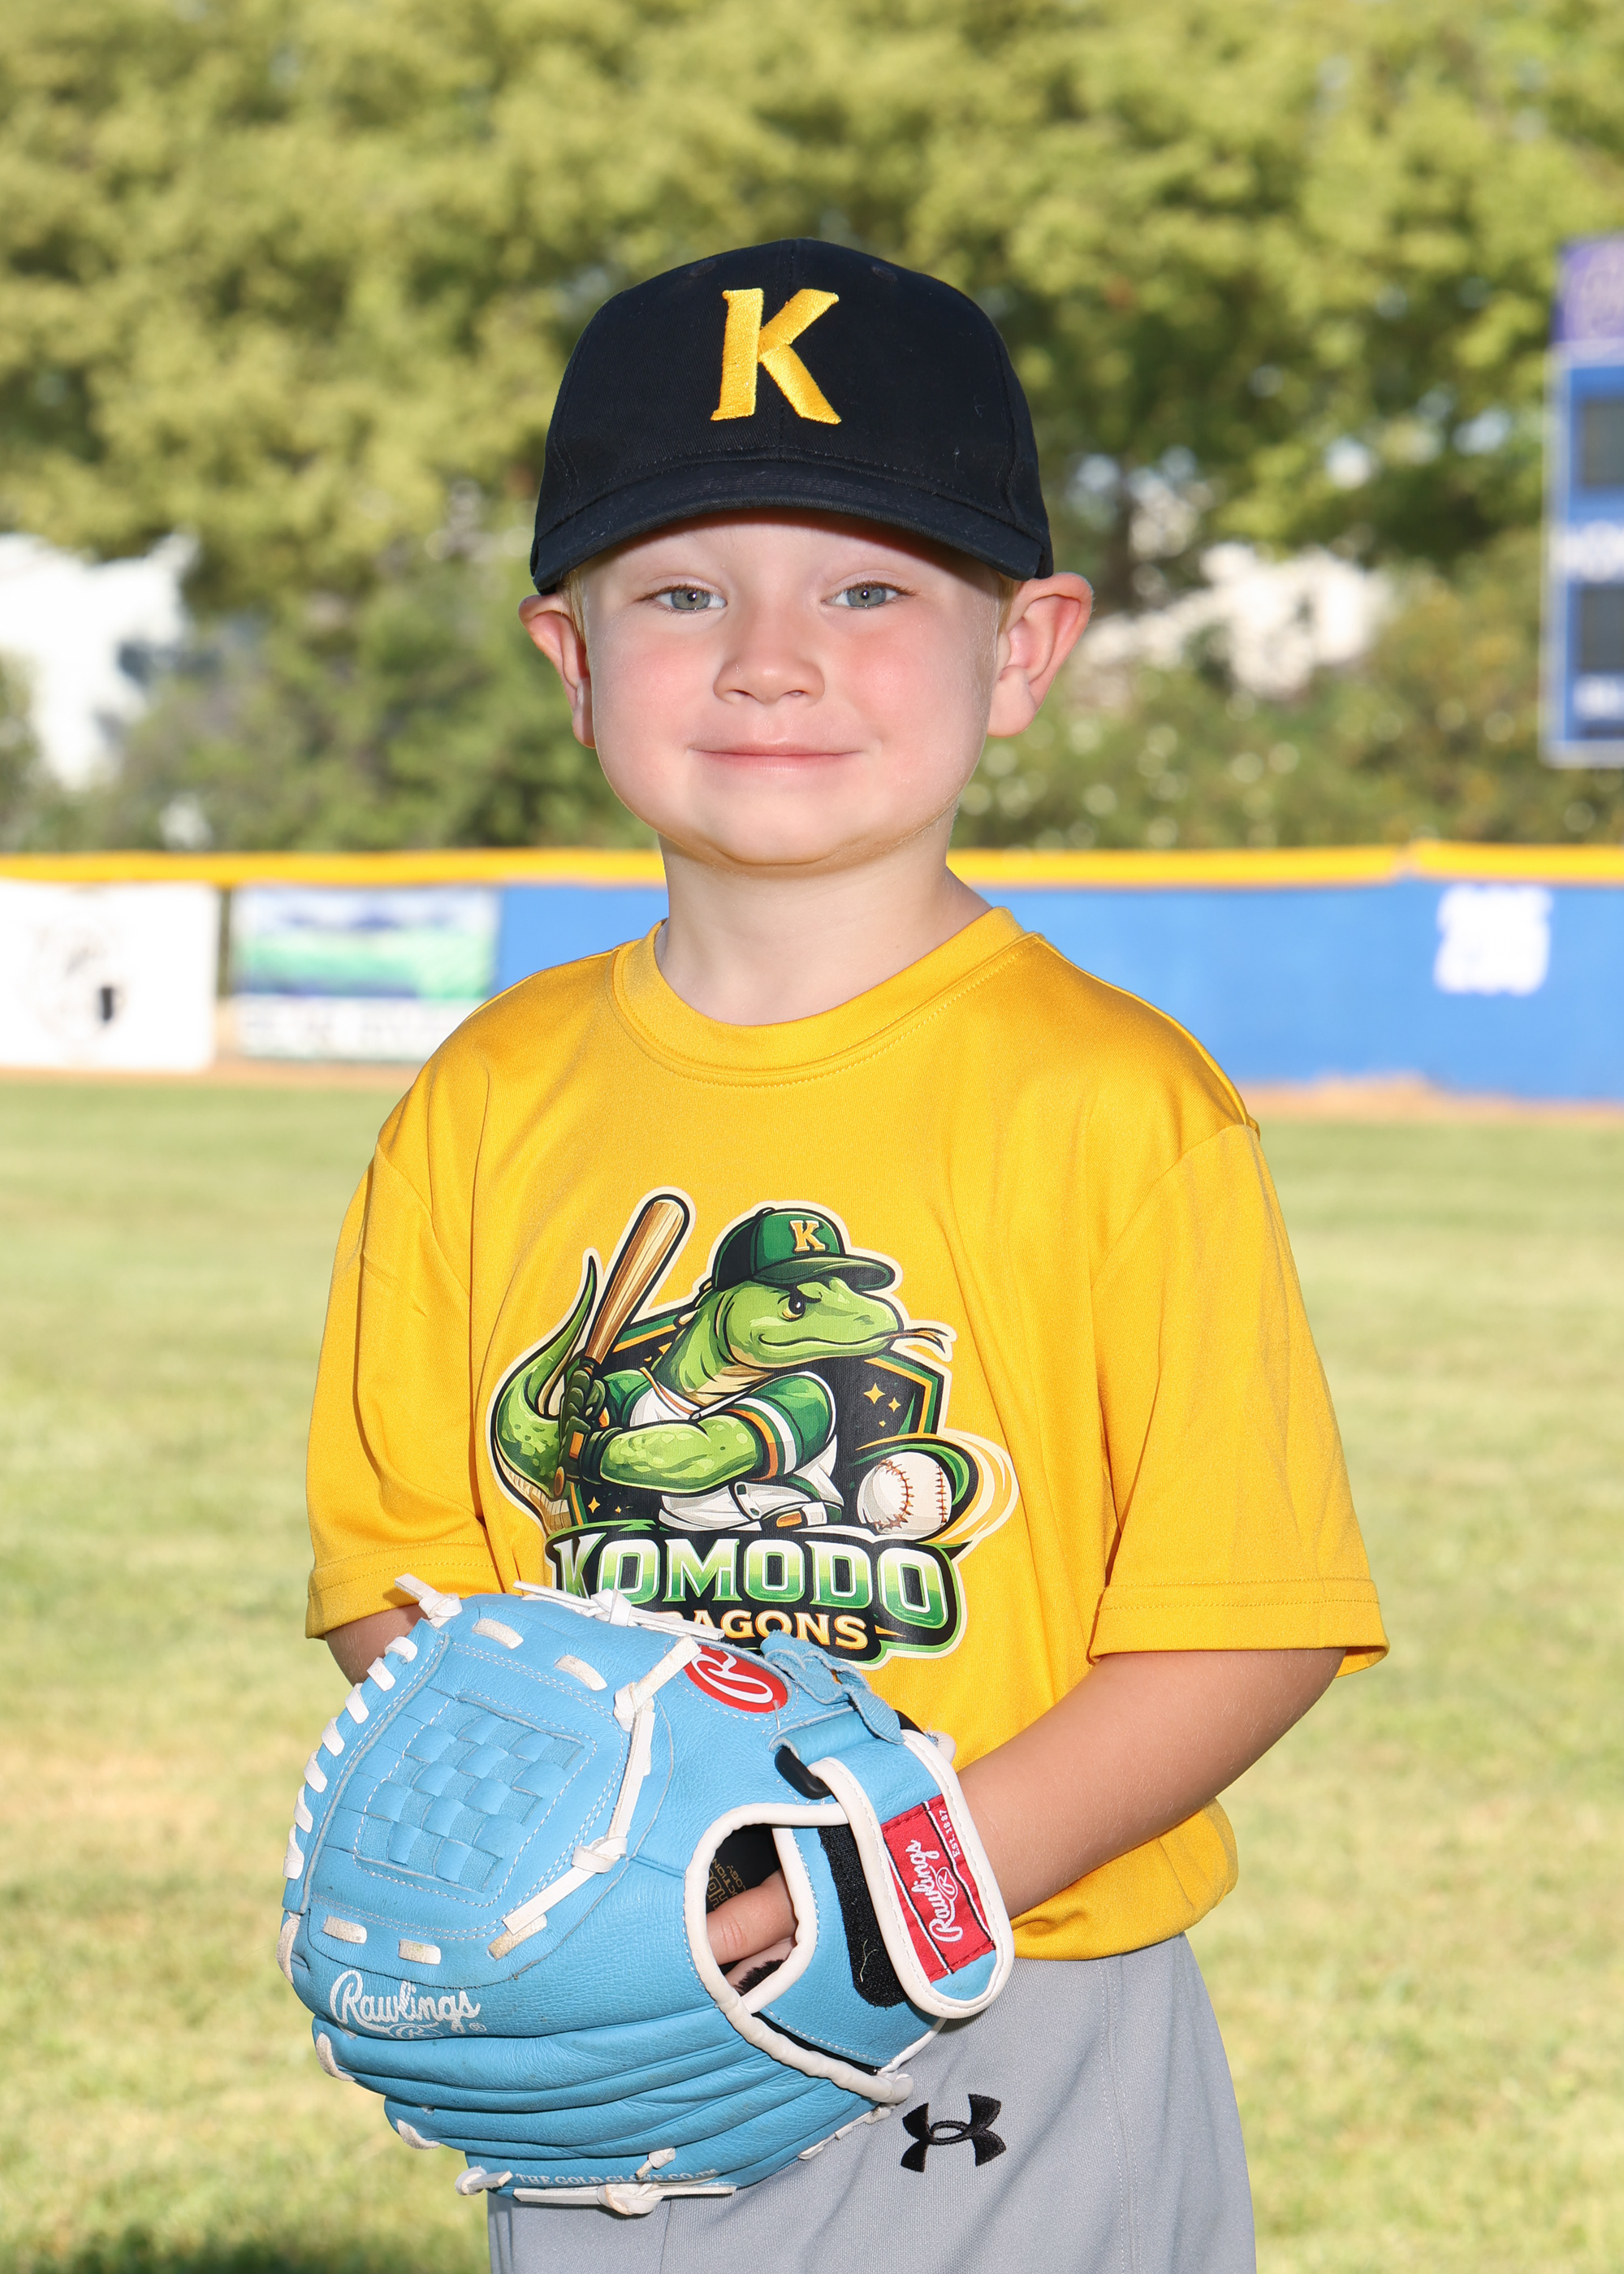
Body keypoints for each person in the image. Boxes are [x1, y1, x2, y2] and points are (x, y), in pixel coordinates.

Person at [304, 240, 1386, 2273]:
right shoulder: (484, 1098)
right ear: (569, 658)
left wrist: (879, 1886)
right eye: (681, 592)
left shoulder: (1116, 1103)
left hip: (1018, 1994)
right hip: (616, 1999)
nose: (769, 660)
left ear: (1024, 649)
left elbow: (1250, 1619)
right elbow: (401, 1577)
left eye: (870, 588)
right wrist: (599, 1852)